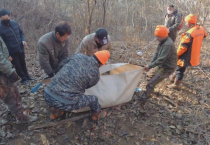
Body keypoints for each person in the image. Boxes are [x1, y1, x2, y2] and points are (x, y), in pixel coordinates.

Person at [44, 50, 110, 121]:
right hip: (65, 103)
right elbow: (86, 87)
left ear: (94, 55)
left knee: (58, 96)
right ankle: (96, 115)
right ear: (101, 64)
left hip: (47, 94)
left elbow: (60, 66)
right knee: (94, 100)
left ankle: (56, 112)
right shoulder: (96, 75)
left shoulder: (78, 56)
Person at [0, 37, 37, 124]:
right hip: (2, 72)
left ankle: (13, 111)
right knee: (12, 93)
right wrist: (10, 71)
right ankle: (21, 118)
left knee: (6, 94)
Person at [167, 14, 207, 89]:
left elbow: (183, 47)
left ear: (190, 22)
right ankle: (173, 78)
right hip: (194, 53)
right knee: (181, 68)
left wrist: (177, 54)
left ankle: (176, 85)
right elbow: (205, 35)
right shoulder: (201, 29)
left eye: (186, 22)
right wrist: (200, 26)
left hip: (186, 55)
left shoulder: (190, 33)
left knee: (180, 70)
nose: (185, 23)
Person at [140, 25, 177, 101]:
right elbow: (156, 54)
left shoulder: (168, 44)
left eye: (158, 37)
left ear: (163, 35)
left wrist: (150, 66)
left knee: (150, 84)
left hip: (167, 68)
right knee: (149, 76)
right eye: (156, 36)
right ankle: (151, 91)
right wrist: (150, 64)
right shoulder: (162, 41)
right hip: (161, 65)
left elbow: (161, 59)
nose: (157, 38)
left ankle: (145, 97)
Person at [0, 9, 34, 85]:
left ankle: (28, 76)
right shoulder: (0, 28)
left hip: (20, 48)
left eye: (7, 18)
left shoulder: (14, 23)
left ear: (9, 16)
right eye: (4, 19)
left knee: (23, 63)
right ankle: (24, 78)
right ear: (0, 18)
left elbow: (21, 33)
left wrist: (23, 40)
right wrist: (7, 55)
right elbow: (2, 44)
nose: (6, 20)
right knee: (17, 66)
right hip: (11, 52)